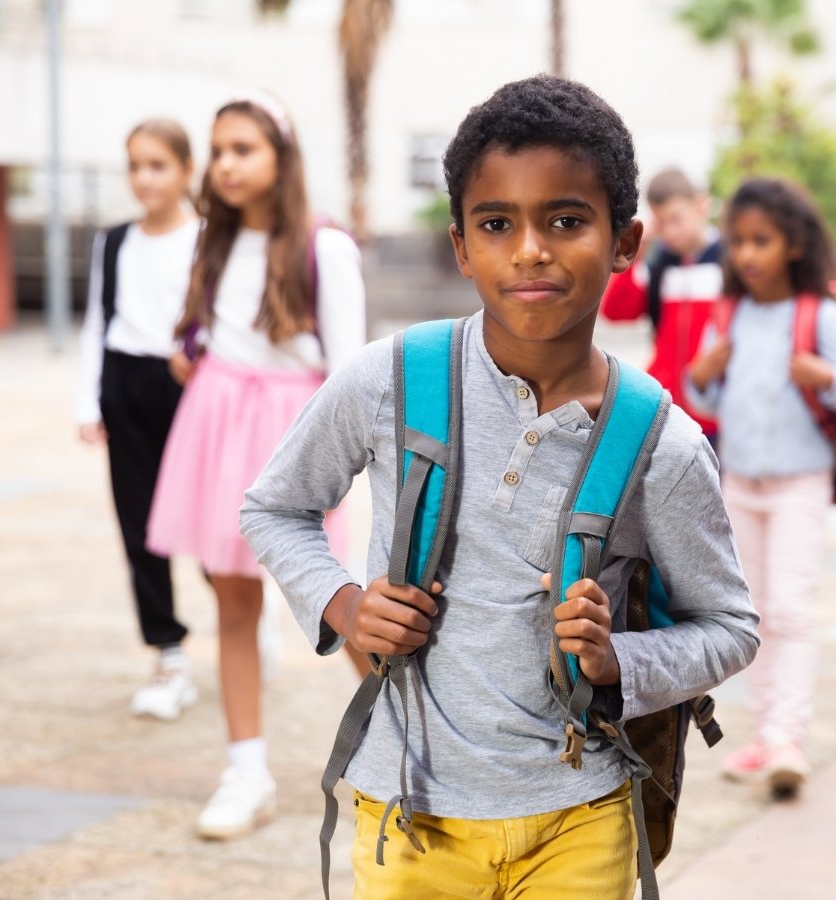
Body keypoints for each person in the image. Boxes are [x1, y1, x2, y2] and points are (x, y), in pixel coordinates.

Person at [240, 74, 758, 898]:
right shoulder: (388, 380)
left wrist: (618, 657)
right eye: (496, 223)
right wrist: (342, 605)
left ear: (625, 244)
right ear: (461, 245)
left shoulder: (662, 444)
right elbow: (274, 505)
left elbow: (730, 626)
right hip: (408, 811)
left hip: (582, 813)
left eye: (565, 220)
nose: (529, 249)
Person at [144, 92, 366, 838]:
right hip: (216, 428)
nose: (227, 164)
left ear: (281, 157)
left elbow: (350, 374)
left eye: (244, 148)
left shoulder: (324, 246)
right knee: (231, 603)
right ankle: (246, 770)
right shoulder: (212, 240)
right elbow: (209, 327)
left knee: (343, 605)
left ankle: (411, 754)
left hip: (293, 440)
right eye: (220, 150)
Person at [687, 177, 836, 796]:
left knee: (791, 609)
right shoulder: (730, 313)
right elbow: (702, 396)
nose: (746, 254)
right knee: (752, 613)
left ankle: (786, 737)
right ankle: (766, 735)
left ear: (794, 244)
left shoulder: (821, 313)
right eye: (738, 241)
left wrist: (826, 376)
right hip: (739, 482)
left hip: (801, 481)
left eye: (761, 241)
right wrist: (701, 375)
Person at [76, 119, 201, 721]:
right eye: (135, 165)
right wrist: (88, 401)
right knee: (139, 525)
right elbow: (97, 324)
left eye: (157, 164)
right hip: (125, 384)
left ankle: (244, 616)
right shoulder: (114, 240)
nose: (144, 177)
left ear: (185, 170)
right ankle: (168, 655)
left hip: (187, 387)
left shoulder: (207, 239)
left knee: (207, 522)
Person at [600, 167, 721, 439]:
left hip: (716, 413)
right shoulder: (660, 266)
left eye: (676, 219)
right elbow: (616, 311)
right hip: (669, 414)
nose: (670, 232)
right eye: (661, 223)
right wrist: (637, 253)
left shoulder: (729, 263)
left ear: (701, 206)